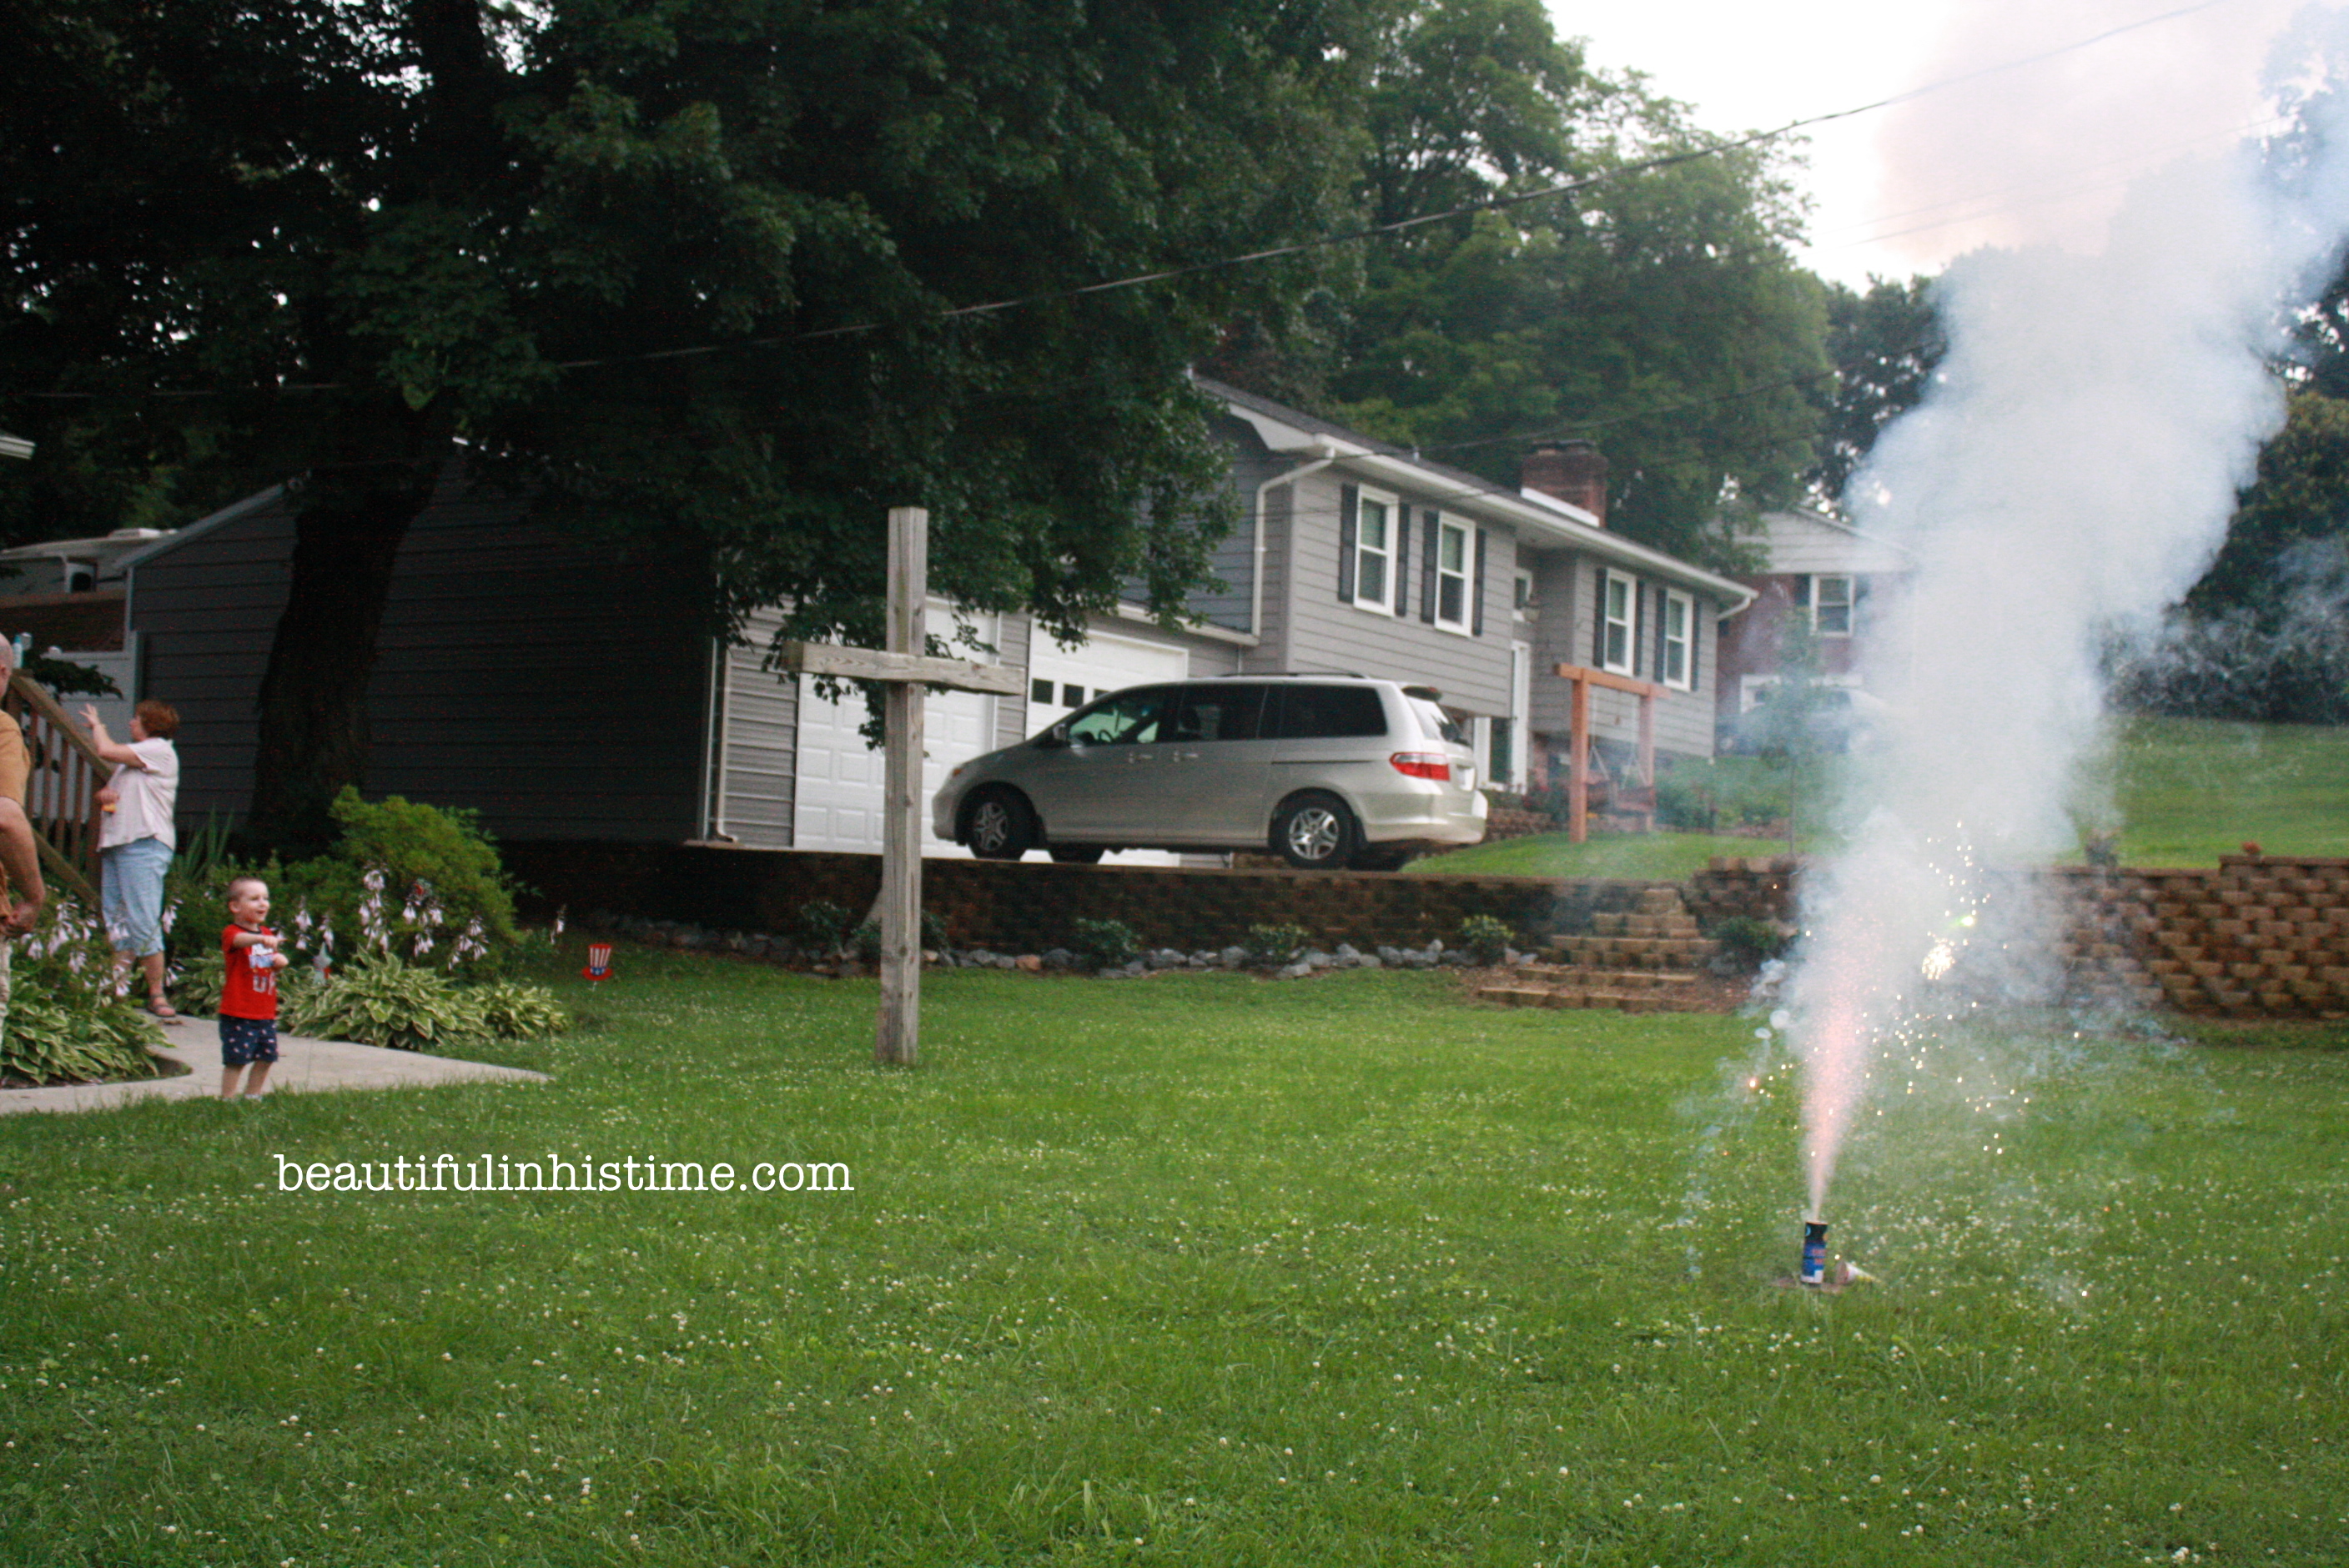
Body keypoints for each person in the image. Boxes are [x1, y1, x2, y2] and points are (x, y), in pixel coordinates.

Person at [83, 699, 181, 1019]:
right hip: (118, 845)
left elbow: (105, 751)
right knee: (117, 920)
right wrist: (105, 796)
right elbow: (108, 794)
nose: (131, 723)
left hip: (144, 844)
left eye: (136, 718)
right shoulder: (132, 763)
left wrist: (98, 727)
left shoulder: (160, 750)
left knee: (142, 919)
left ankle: (157, 994)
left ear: (151, 724)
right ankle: (118, 989)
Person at [219, 874, 289, 1101]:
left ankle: (253, 1096)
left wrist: (278, 962)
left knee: (267, 1056)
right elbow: (240, 941)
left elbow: (266, 965)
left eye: (265, 898)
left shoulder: (266, 933)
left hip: (264, 1011)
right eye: (255, 898)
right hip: (239, 1010)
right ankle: (227, 1098)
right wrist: (259, 940)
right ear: (235, 906)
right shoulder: (232, 932)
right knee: (236, 1059)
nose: (263, 903)